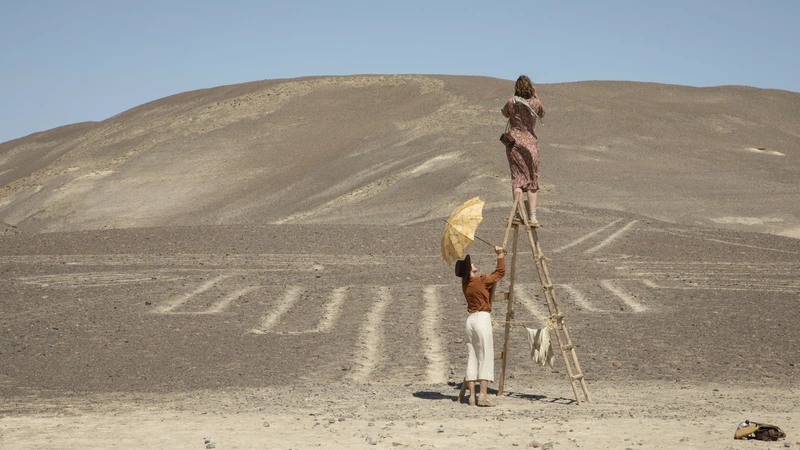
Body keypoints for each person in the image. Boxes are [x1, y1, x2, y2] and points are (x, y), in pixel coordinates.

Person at [454, 246, 505, 406]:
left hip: (470, 320)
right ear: (470, 270)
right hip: (482, 318)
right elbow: (500, 273)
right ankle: (482, 395)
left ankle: (471, 396)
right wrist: (500, 255)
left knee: (473, 355)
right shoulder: (480, 280)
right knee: (485, 355)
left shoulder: (467, 285)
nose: (474, 264)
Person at [501, 75, 546, 225]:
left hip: (514, 144)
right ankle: (532, 216)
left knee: (518, 180)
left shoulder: (512, 102)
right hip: (531, 144)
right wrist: (535, 95)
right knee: (532, 180)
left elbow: (505, 113)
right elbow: (542, 113)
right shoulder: (535, 103)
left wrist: (514, 97)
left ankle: (520, 212)